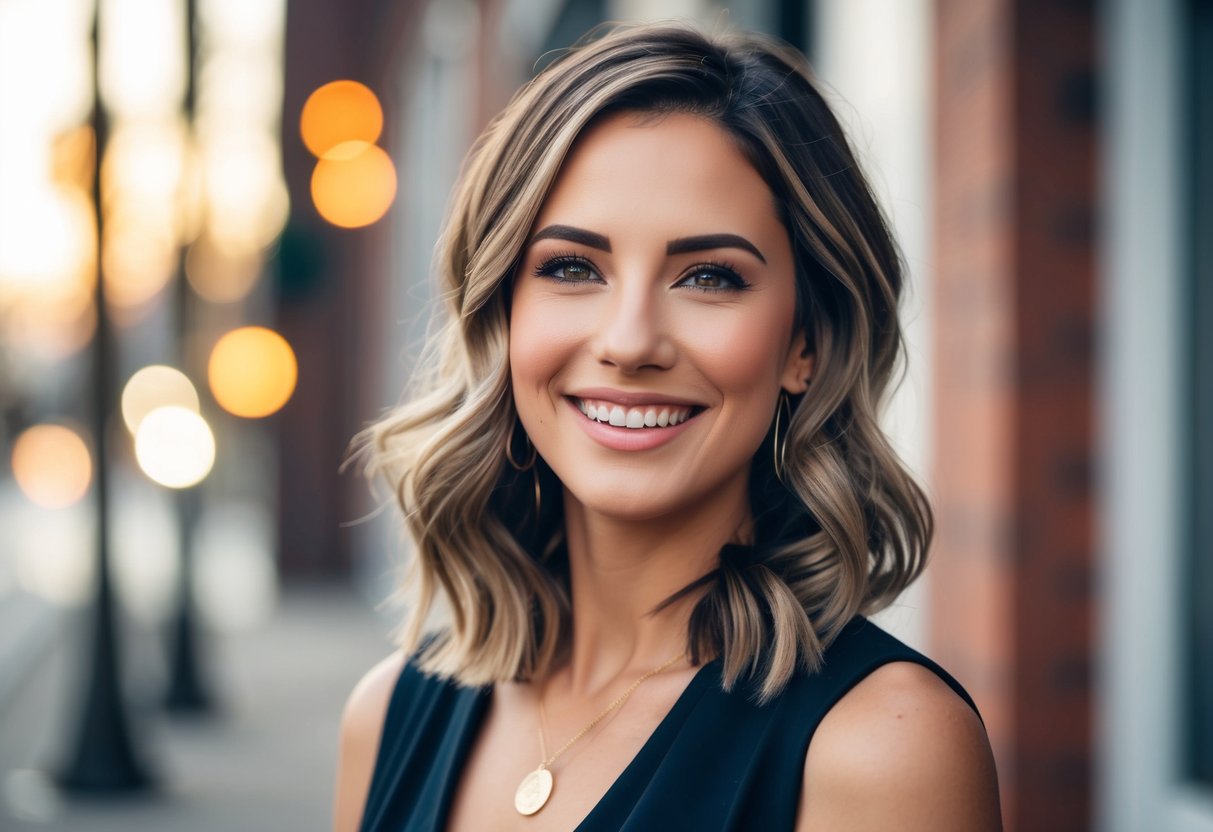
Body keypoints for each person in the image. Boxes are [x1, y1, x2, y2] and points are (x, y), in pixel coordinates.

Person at [333, 21, 1001, 832]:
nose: (628, 342)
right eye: (571, 267)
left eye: (709, 277)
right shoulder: (385, 717)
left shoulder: (884, 750)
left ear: (805, 342)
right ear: (503, 315)